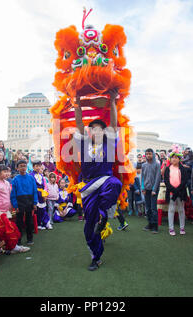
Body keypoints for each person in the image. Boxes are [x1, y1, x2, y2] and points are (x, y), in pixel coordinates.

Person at [74, 89, 123, 271]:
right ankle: (96, 256)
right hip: (88, 187)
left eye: (99, 128)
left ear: (105, 132)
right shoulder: (84, 143)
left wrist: (112, 101)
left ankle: (104, 216)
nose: (96, 131)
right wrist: (77, 103)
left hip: (105, 181)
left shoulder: (110, 144)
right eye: (92, 129)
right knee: (89, 228)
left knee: (115, 183)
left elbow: (114, 123)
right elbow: (79, 123)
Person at [10, 160, 37, 246]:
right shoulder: (15, 179)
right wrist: (15, 205)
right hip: (19, 201)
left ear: (27, 167)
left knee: (29, 221)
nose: (23, 168)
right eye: (21, 166)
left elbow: (35, 191)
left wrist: (35, 202)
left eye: (24, 166)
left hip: (29, 201)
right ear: (17, 168)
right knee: (19, 222)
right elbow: (13, 194)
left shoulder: (31, 178)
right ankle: (18, 240)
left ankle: (30, 238)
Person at [163, 151, 190, 236]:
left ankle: (182, 227)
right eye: (172, 157)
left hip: (181, 192)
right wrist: (173, 190)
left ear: (179, 159)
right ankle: (171, 228)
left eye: (176, 157)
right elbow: (166, 181)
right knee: (171, 209)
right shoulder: (168, 169)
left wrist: (177, 190)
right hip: (171, 192)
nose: (174, 159)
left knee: (181, 209)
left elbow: (184, 181)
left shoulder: (183, 169)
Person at [141, 148, 161, 233]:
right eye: (147, 154)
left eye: (150, 154)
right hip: (146, 189)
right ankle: (149, 223)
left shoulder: (157, 164)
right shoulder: (143, 165)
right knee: (148, 208)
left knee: (153, 208)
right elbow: (142, 177)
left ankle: (155, 226)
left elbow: (158, 178)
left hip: (154, 190)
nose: (148, 155)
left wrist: (154, 189)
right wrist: (142, 188)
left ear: (153, 154)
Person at [30, 160, 51, 230]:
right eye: (36, 166)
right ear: (33, 167)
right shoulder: (31, 175)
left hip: (42, 194)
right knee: (37, 210)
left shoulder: (41, 175)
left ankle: (46, 223)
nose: (38, 168)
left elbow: (44, 186)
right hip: (35, 194)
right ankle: (38, 224)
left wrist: (44, 195)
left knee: (43, 209)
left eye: (39, 166)